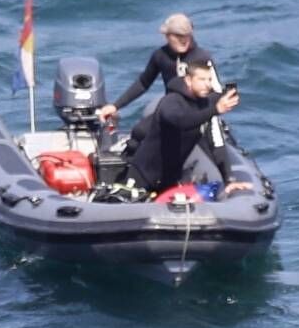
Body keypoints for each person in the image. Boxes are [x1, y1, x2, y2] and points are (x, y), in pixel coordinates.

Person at [123, 60, 240, 193]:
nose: (207, 84)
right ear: (189, 80)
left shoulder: (205, 102)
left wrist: (230, 94)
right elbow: (182, 121)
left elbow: (222, 98)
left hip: (168, 180)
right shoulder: (172, 101)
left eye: (209, 79)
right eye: (202, 79)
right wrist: (215, 110)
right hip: (143, 176)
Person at [97, 13, 218, 125]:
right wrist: (116, 106)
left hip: (198, 114)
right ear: (167, 36)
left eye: (187, 35)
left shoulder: (202, 57)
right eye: (178, 35)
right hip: (172, 111)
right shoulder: (160, 56)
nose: (184, 39)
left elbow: (216, 92)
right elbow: (143, 83)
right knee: (138, 134)